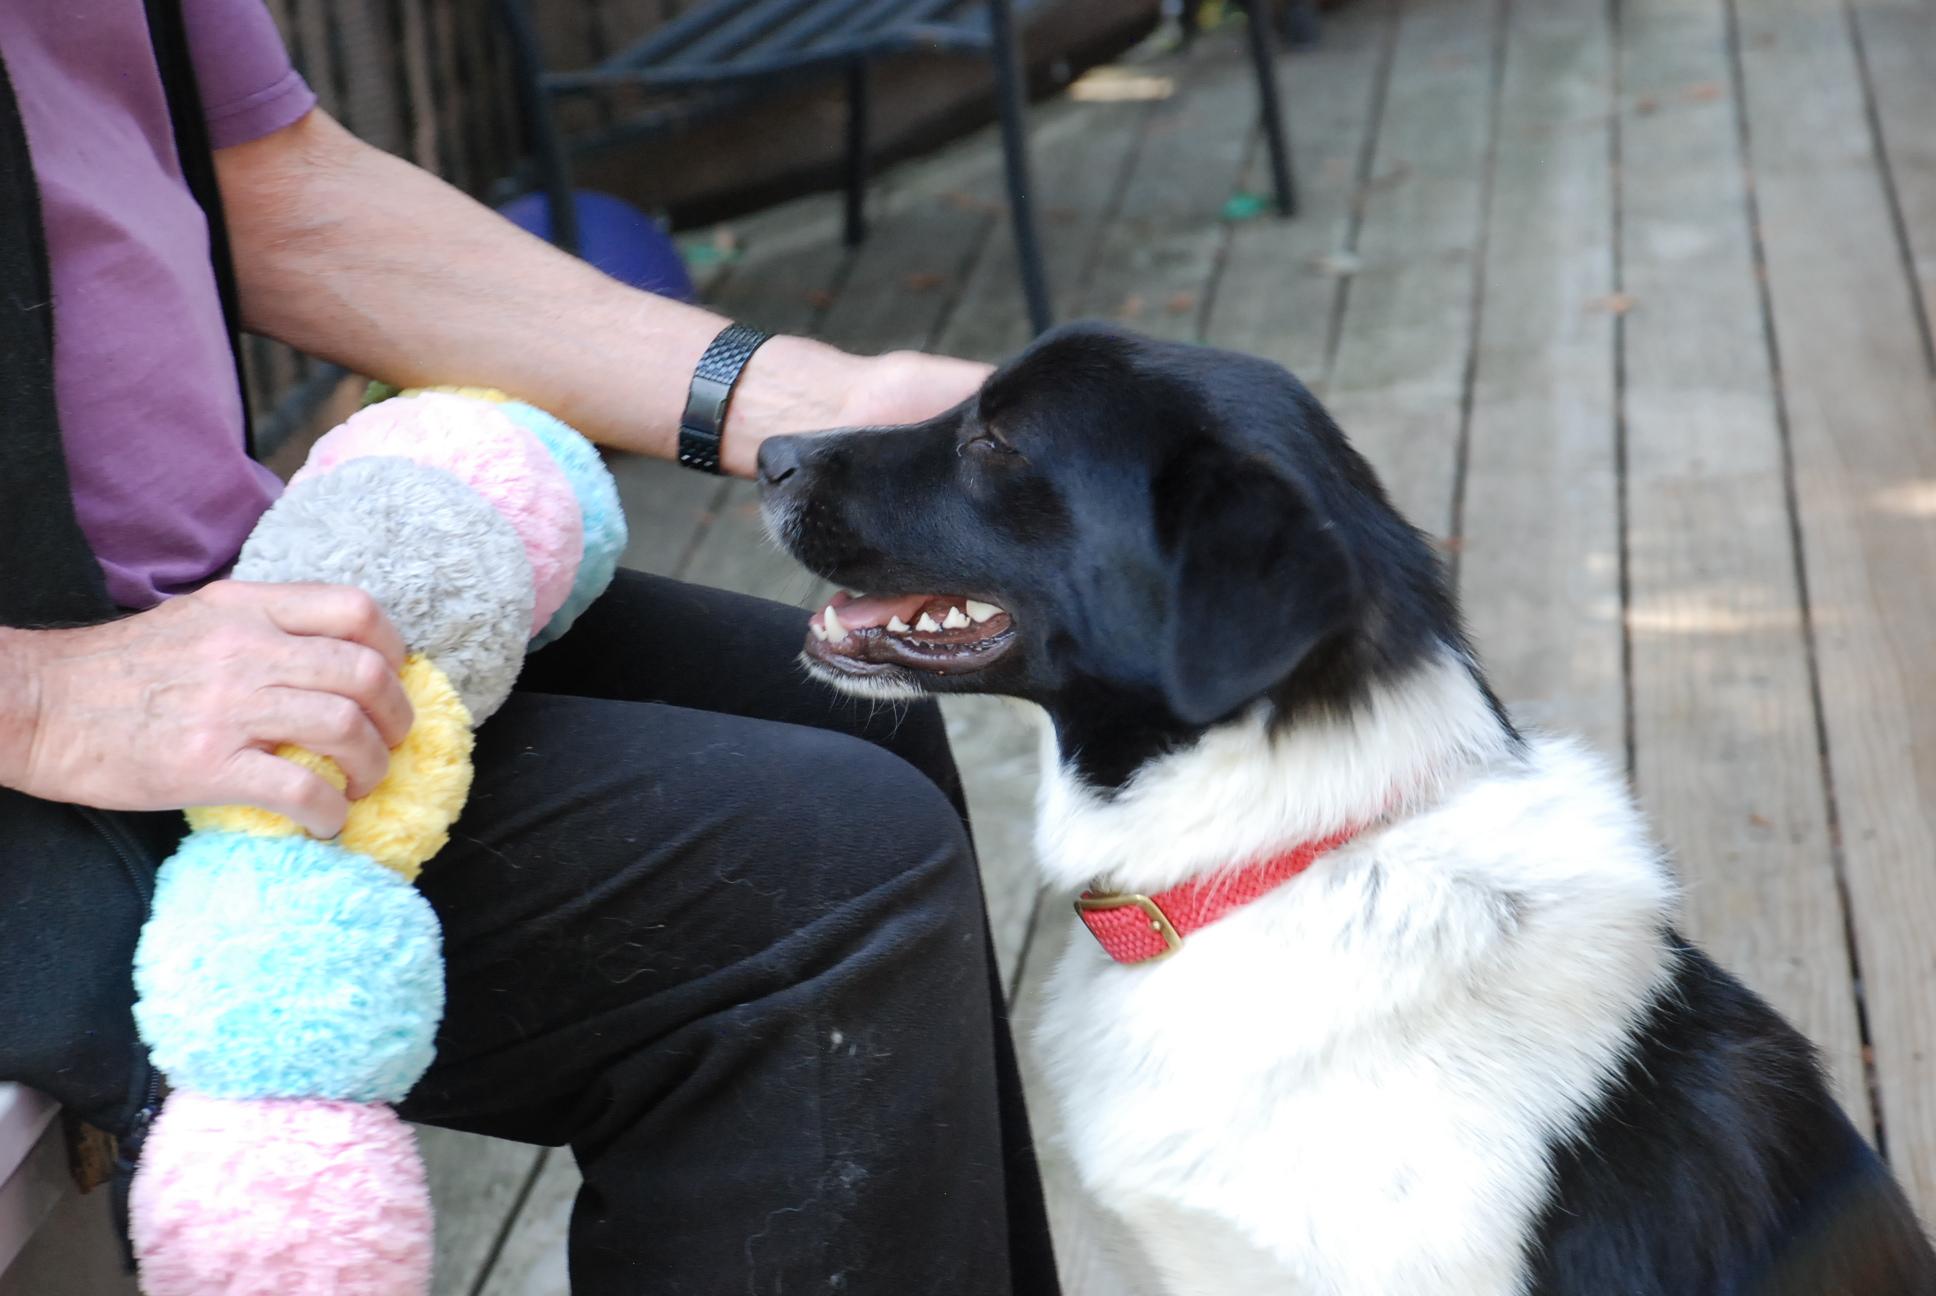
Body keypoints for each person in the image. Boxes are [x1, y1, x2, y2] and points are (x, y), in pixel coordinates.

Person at [0, 3, 1058, 1292]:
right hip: (49, 747)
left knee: (841, 703)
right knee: (821, 881)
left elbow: (272, 192)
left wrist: (816, 404)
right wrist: (45, 699)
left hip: (227, 599)